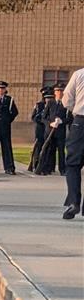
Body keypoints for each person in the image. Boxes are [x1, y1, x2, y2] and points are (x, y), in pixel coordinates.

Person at [59, 66, 84, 219]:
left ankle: (74, 202)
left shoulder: (79, 74)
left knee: (73, 164)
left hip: (80, 122)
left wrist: (75, 108)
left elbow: (66, 99)